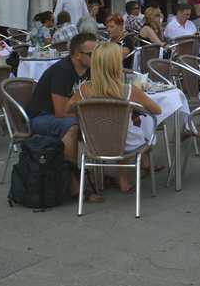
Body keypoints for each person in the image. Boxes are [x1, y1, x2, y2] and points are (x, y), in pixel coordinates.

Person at [66, 42, 162, 193]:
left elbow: (68, 108)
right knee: (136, 130)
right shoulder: (129, 90)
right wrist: (135, 106)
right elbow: (157, 110)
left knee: (121, 130)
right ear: (117, 65)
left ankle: (117, 177)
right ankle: (126, 176)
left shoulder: (84, 89)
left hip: (95, 143)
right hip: (126, 143)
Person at [25, 33, 98, 199]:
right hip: (40, 117)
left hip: (66, 114)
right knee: (71, 127)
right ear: (78, 55)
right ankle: (72, 184)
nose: (97, 57)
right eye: (92, 54)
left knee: (104, 121)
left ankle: (107, 172)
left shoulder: (90, 69)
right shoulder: (62, 71)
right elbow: (61, 112)